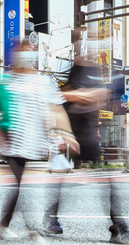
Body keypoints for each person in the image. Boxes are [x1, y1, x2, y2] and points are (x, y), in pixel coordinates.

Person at [45, 45, 128, 243]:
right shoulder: (77, 68)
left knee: (106, 181)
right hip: (69, 132)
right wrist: (85, 96)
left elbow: (99, 99)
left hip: (89, 135)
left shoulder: (99, 71)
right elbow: (63, 95)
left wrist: (97, 125)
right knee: (60, 179)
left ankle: (117, 225)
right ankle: (51, 220)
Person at [0, 42, 77, 242]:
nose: (25, 57)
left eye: (29, 53)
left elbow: (57, 108)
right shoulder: (7, 81)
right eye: (21, 53)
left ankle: (4, 226)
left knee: (17, 186)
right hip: (11, 141)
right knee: (17, 185)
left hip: (32, 142)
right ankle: (32, 230)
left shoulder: (42, 81)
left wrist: (67, 134)